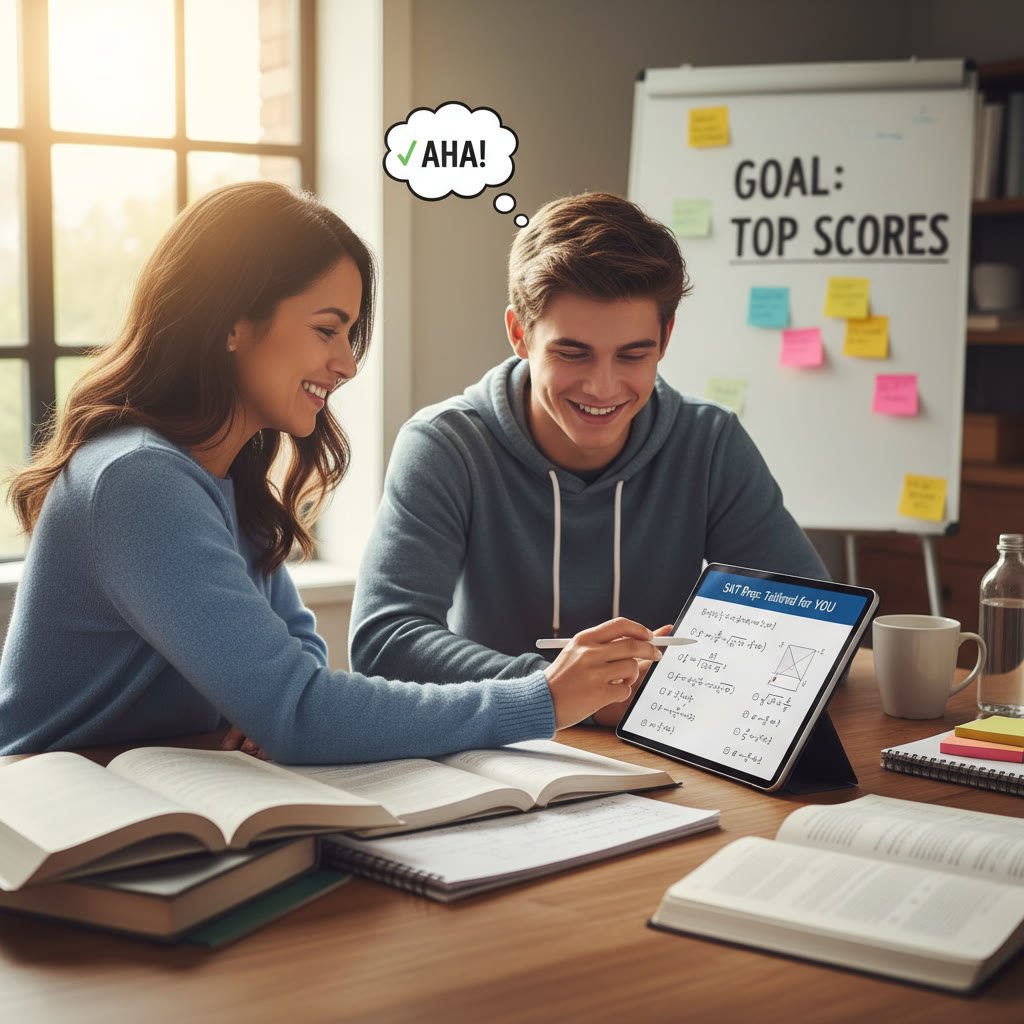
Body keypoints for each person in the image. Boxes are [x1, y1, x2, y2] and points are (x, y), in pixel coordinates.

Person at [0, 182, 662, 759]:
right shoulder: (138, 479)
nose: (346, 364)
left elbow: (298, 661)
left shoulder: (225, 477)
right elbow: (302, 710)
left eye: (349, 335)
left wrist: (278, 711)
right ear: (232, 323)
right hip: (59, 821)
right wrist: (544, 697)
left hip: (153, 796)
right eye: (327, 330)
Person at [349, 191, 827, 725]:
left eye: (633, 354)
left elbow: (815, 622)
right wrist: (558, 691)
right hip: (504, 745)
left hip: (660, 738)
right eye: (572, 353)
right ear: (519, 334)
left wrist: (682, 682)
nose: (602, 387)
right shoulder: (446, 445)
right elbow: (384, 640)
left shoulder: (709, 441)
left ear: (665, 338)